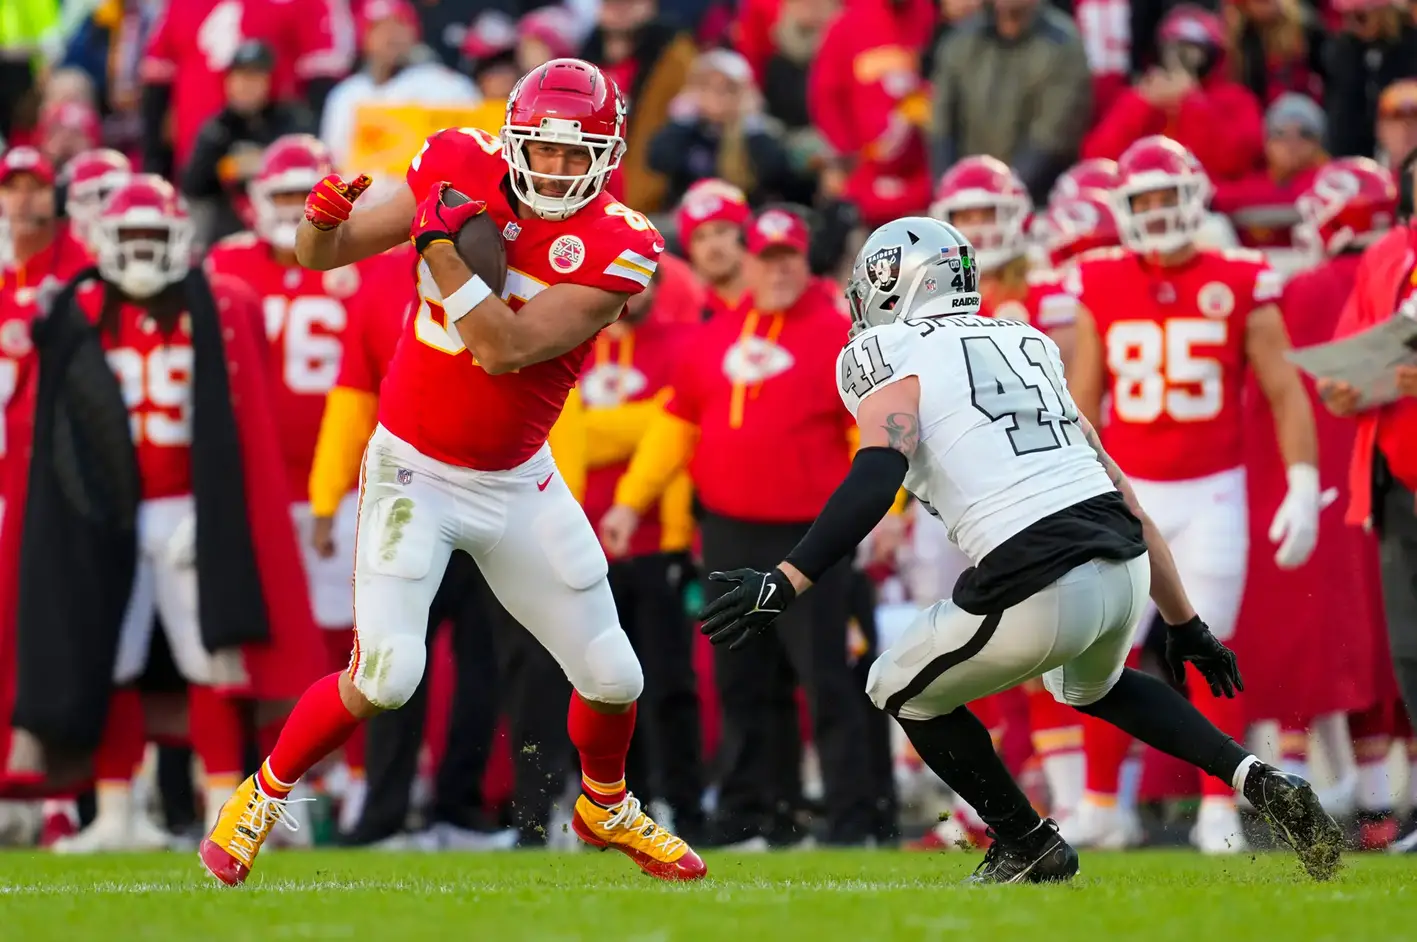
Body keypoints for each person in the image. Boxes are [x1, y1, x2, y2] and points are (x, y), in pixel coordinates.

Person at [697, 214, 1343, 883]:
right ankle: (1263, 781)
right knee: (1095, 686)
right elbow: (1121, 492)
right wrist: (1184, 623)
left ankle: (1024, 840)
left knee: (895, 685)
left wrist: (787, 577)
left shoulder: (881, 352)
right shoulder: (1024, 341)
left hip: (1034, 566)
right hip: (1120, 561)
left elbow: (877, 467)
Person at [199, 57, 705, 886]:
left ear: (609, 157)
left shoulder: (625, 246)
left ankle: (604, 805)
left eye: (578, 156)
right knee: (388, 674)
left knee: (615, 675)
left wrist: (438, 249)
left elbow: (501, 348)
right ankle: (261, 793)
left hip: (515, 476)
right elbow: (320, 257)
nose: (556, 168)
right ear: (514, 139)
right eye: (542, 149)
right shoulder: (457, 159)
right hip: (414, 470)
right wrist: (323, 221)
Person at [6, 174, 321, 849]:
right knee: (110, 660)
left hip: (189, 507)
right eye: (132, 237)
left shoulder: (219, 302)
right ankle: (118, 814)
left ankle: (224, 809)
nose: (144, 250)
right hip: (109, 511)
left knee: (212, 661)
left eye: (155, 236)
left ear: (180, 240)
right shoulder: (81, 307)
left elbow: (244, 419)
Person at [1064, 134, 1319, 853]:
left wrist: (1301, 483)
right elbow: (1082, 398)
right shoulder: (1100, 278)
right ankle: (1096, 803)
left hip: (1212, 493)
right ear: (1122, 206)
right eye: (1141, 199)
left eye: (1165, 196)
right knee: (1096, 642)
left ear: (1193, 196)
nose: (1155, 211)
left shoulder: (1239, 275)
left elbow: (1281, 389)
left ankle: (1218, 808)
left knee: (1212, 650)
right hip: (1127, 487)